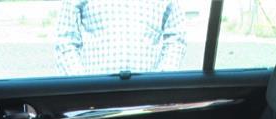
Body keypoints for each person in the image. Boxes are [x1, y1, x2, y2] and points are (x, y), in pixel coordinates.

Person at [55, 0, 187, 76]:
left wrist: (161, 81)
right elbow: (65, 41)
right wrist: (83, 86)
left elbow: (176, 37)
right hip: (95, 101)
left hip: (147, 99)